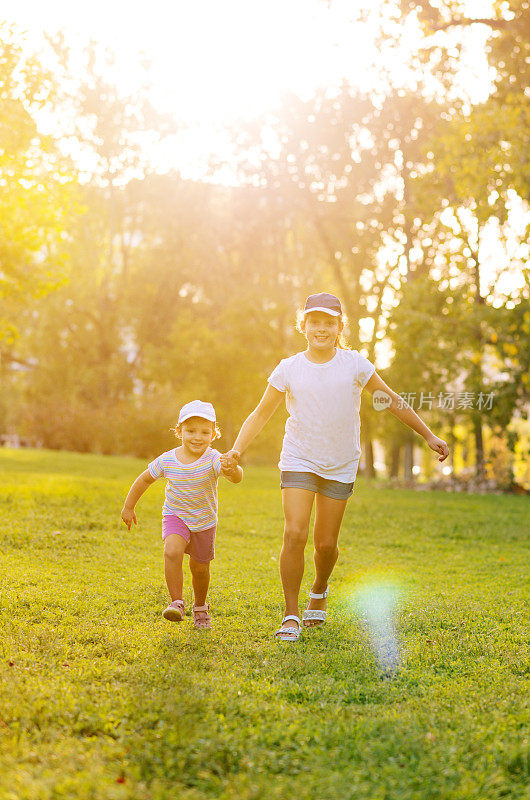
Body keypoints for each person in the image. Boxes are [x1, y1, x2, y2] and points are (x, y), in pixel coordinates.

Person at [221, 292, 449, 641]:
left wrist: (427, 434)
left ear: (340, 327)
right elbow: (261, 412)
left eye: (330, 323)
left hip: (341, 462)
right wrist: (237, 449)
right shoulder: (289, 368)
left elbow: (390, 400)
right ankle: (291, 614)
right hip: (299, 457)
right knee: (294, 533)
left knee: (326, 544)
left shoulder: (355, 365)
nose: (322, 329)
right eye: (315, 322)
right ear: (304, 326)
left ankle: (320, 587)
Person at [121, 400, 243, 629]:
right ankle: (176, 602)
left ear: (213, 434)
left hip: (204, 521)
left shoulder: (214, 458)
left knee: (200, 569)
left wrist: (233, 468)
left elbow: (236, 478)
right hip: (175, 516)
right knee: (172, 551)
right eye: (190, 431)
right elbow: (144, 478)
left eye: (204, 432)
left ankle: (200, 607)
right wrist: (129, 506)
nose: (197, 437)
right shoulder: (168, 459)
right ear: (179, 432)